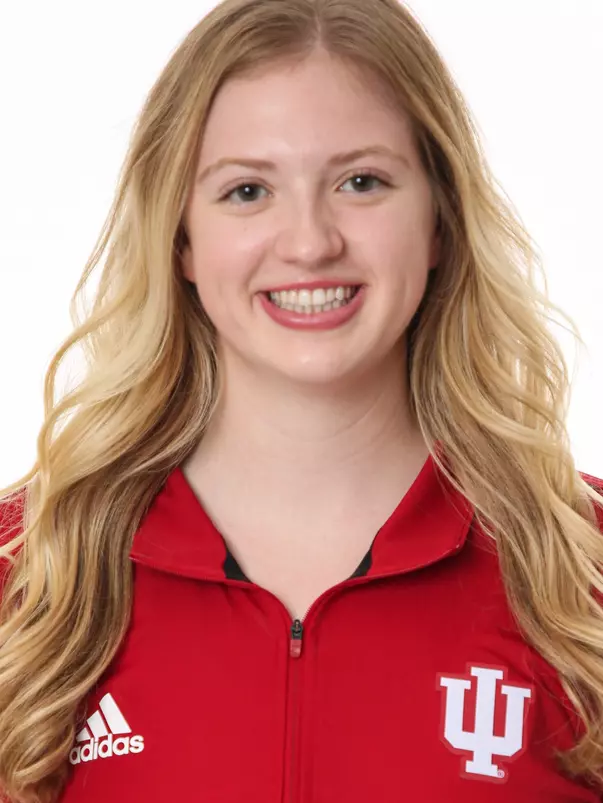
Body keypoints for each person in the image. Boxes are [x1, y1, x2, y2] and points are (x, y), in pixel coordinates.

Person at [1, 0, 603, 800]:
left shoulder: (582, 572)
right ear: (180, 237)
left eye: (362, 181)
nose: (311, 241)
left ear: (439, 221)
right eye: (247, 190)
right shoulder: (31, 573)